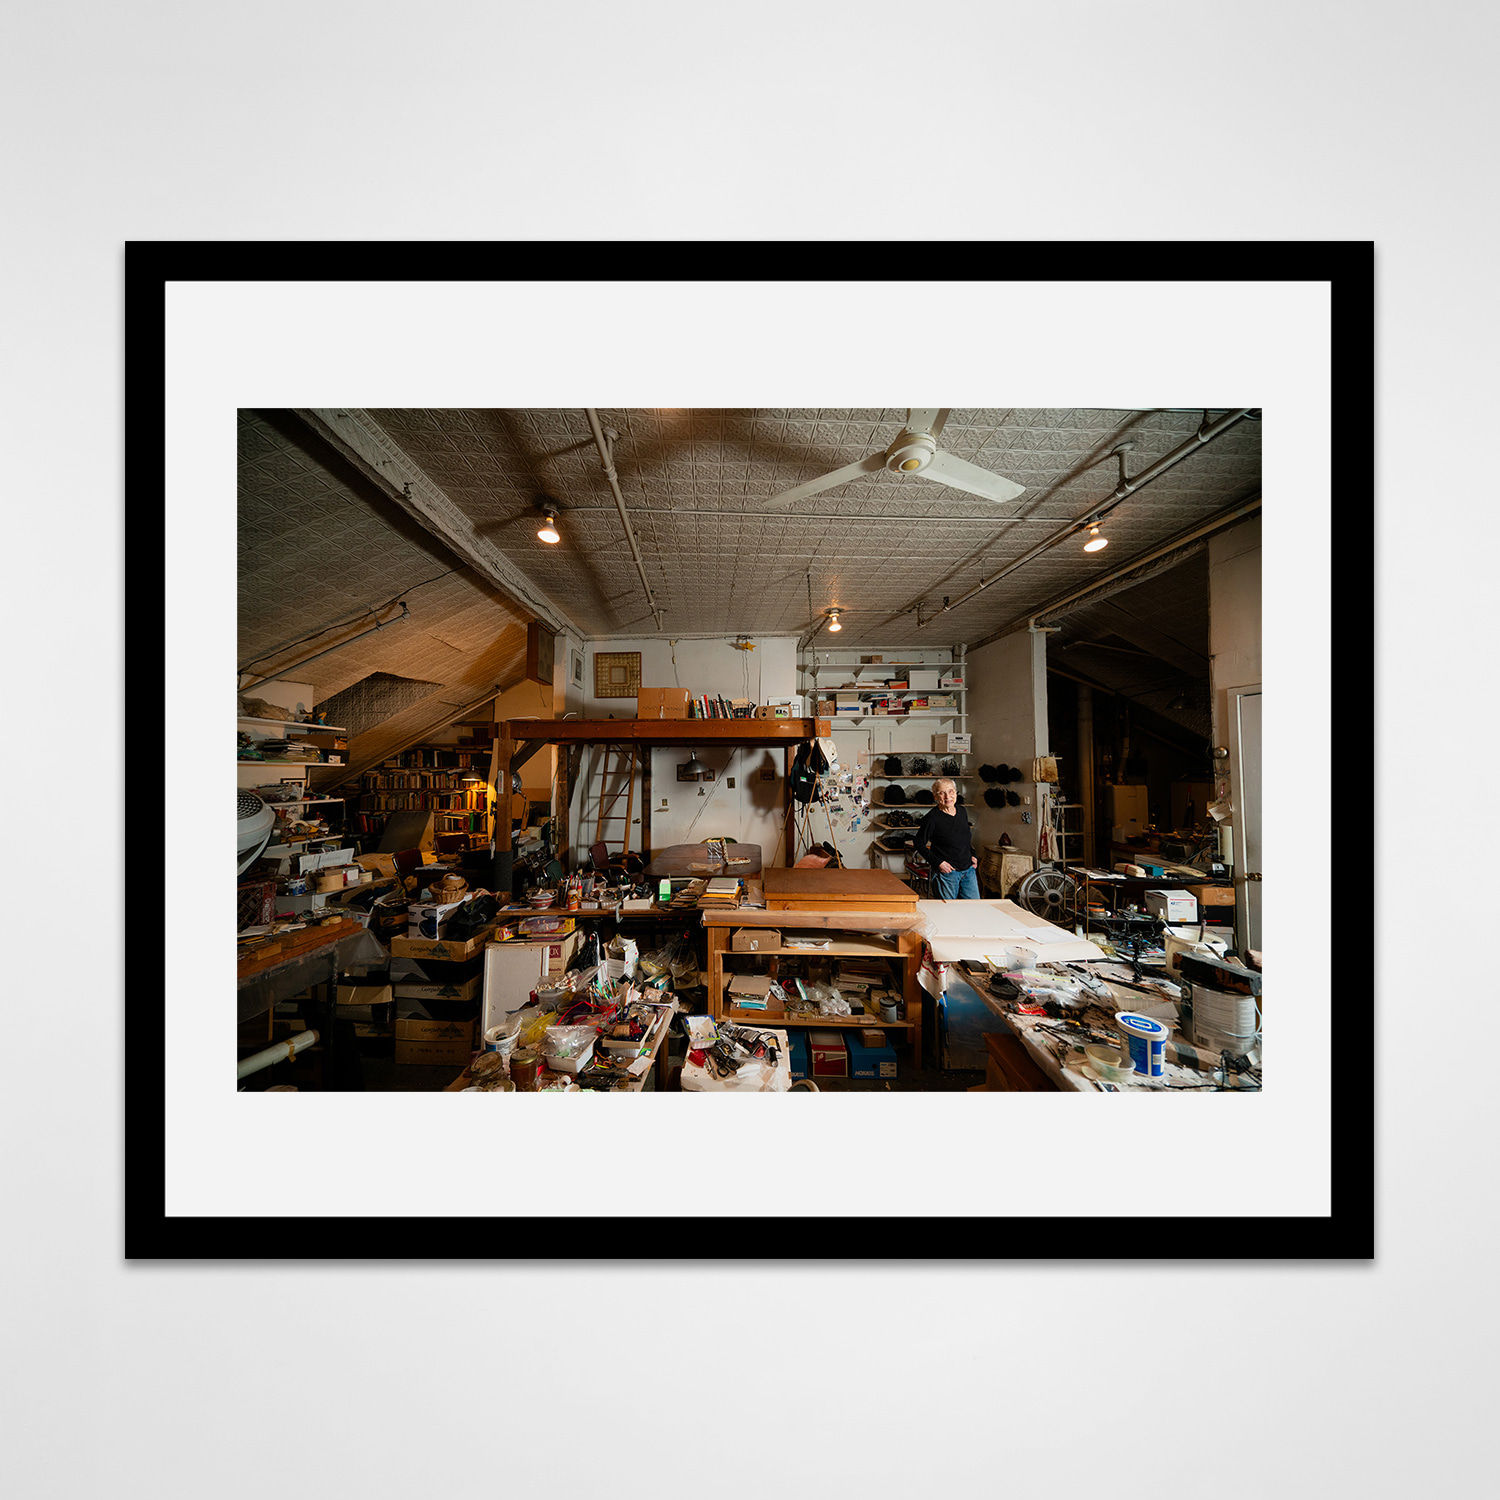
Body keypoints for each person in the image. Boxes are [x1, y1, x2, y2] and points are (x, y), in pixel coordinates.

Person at [914, 778, 980, 899]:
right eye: (942, 793)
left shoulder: (962, 811)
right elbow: (918, 843)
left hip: (968, 870)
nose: (947, 796)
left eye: (951, 791)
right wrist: (938, 863)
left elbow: (964, 838)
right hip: (947, 873)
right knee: (947, 911)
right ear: (935, 797)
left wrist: (973, 854)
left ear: (956, 793)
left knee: (974, 908)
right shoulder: (932, 818)